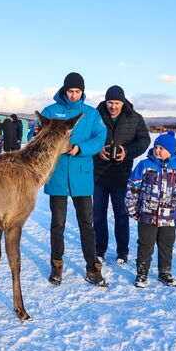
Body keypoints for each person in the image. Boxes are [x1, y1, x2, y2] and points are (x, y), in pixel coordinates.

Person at [41, 72, 108, 287]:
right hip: (58, 174)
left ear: (83, 92)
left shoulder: (91, 114)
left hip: (82, 175)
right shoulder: (50, 112)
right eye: (70, 91)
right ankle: (57, 266)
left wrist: (80, 148)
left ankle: (92, 267)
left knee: (86, 224)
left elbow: (100, 137)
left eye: (77, 91)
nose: (73, 95)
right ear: (64, 90)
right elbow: (39, 135)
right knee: (57, 224)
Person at [126, 131, 176, 288]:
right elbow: (132, 187)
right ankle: (142, 273)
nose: (157, 150)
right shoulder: (145, 165)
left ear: (171, 150)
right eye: (156, 147)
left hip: (169, 217)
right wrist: (132, 208)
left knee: (166, 245)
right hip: (147, 215)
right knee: (145, 245)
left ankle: (165, 273)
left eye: (161, 148)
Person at [93, 85, 151, 265]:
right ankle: (99, 249)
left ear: (123, 102)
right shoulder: (96, 116)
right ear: (106, 101)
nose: (113, 106)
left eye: (117, 103)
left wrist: (127, 151)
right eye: (110, 102)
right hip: (98, 175)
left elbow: (144, 141)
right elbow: (86, 138)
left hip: (121, 175)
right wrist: (98, 151)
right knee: (98, 215)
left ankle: (122, 251)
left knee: (121, 214)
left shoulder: (134, 118)